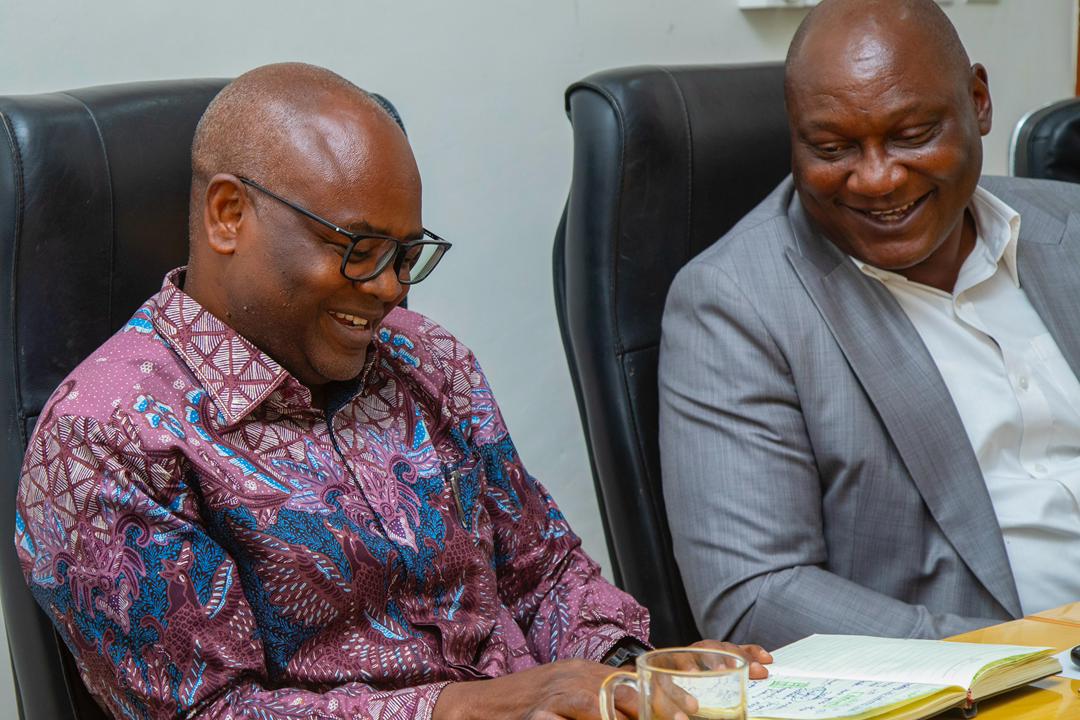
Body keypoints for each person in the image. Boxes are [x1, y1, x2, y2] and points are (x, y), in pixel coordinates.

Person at [15, 63, 769, 720]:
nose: (388, 289)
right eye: (358, 249)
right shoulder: (107, 439)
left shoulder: (421, 356)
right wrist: (467, 709)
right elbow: (213, 712)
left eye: (406, 255)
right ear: (229, 214)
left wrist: (634, 675)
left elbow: (543, 572)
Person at [659, 0, 1080, 650]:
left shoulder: (1069, 226)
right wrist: (1025, 657)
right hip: (998, 678)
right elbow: (758, 595)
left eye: (912, 135)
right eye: (833, 148)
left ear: (978, 102)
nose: (878, 179)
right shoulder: (736, 304)